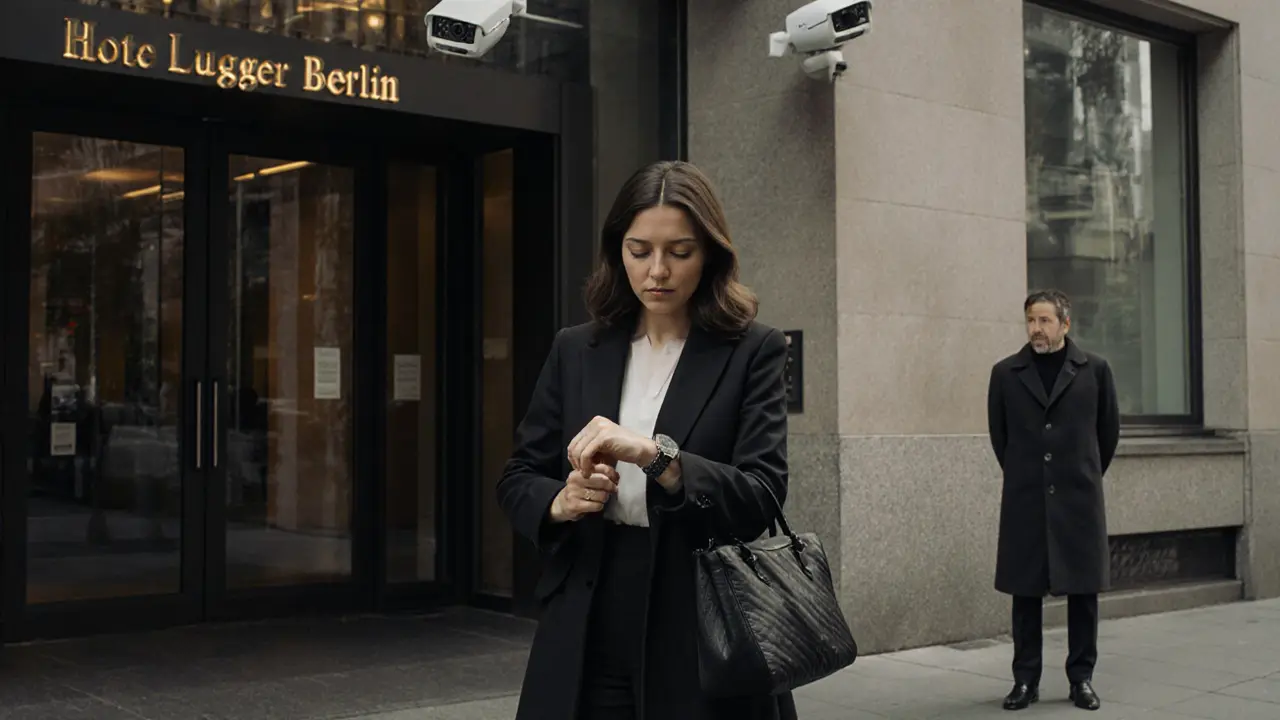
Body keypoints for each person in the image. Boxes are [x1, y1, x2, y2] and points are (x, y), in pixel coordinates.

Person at [496, 160, 795, 720]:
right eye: (640, 251)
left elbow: (761, 496)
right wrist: (560, 501)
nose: (658, 271)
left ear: (710, 255)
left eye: (679, 252)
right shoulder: (575, 349)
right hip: (587, 612)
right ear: (619, 252)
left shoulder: (753, 351)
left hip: (702, 621)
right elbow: (518, 478)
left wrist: (657, 457)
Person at [986, 289, 1120, 712]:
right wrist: (1026, 475)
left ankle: (1081, 679)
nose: (1036, 329)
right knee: (1025, 593)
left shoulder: (1095, 371)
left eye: (1044, 320)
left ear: (1065, 324)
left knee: (1083, 593)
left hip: (1079, 500)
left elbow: (1107, 435)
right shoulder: (1006, 373)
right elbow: (1000, 437)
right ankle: (1025, 680)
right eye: (1031, 320)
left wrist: (1082, 475)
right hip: (1026, 499)